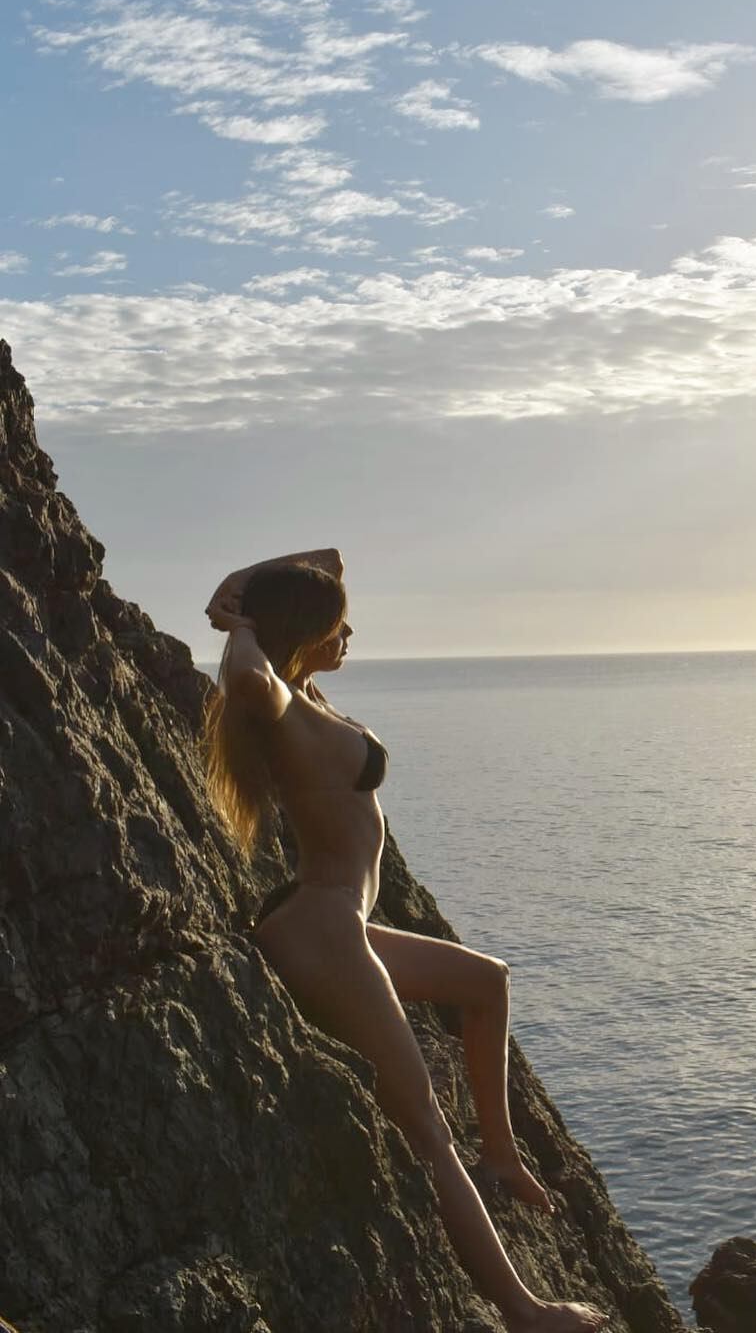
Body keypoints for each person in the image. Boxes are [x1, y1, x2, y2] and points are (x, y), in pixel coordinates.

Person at [201, 548, 605, 1333]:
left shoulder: (306, 693)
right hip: (320, 929)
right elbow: (243, 676)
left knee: (486, 982)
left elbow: (328, 556)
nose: (349, 631)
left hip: (341, 921)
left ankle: (503, 1156)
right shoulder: (276, 696)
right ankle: (525, 1311)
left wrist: (243, 586)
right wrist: (239, 623)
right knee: (422, 1121)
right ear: (303, 633)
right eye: (337, 623)